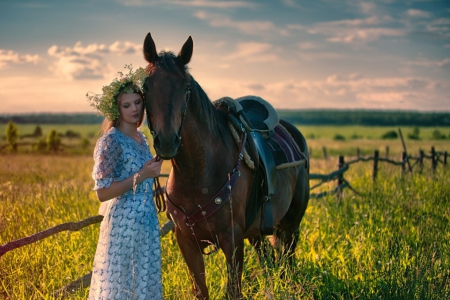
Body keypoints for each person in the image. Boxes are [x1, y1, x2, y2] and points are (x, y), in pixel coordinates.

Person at [86, 65, 164, 299]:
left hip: (147, 221)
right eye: (126, 105)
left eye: (137, 102)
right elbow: (102, 193)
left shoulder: (142, 138)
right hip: (124, 225)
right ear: (116, 109)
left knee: (143, 282)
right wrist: (142, 175)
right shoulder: (111, 142)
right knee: (121, 285)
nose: (134, 109)